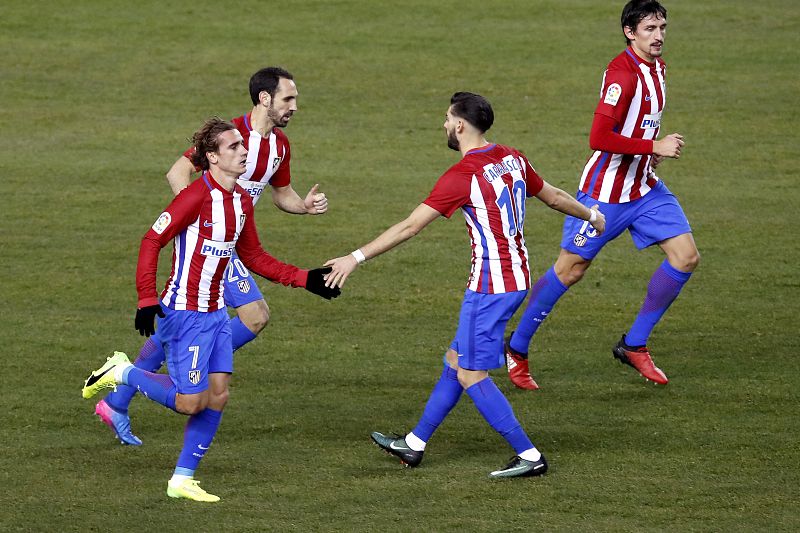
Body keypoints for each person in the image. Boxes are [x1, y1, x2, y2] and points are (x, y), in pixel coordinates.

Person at [324, 92, 605, 478]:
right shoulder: (512, 158)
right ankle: (415, 443)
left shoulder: (463, 175)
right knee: (456, 359)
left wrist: (354, 258)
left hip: (490, 287)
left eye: (447, 118)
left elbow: (410, 226)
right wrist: (592, 215)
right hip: (517, 276)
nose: (443, 124)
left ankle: (528, 454)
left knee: (471, 374)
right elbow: (554, 197)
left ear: (459, 125)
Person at [81, 117, 340, 502]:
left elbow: (254, 256)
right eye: (234, 147)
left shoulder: (241, 201)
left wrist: (306, 279)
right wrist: (146, 298)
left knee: (217, 396)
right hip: (185, 313)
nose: (243, 151)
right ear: (213, 157)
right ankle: (121, 371)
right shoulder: (194, 198)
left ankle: (182, 480)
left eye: (242, 145)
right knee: (190, 402)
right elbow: (151, 241)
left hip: (216, 314)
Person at [95, 67, 328, 446]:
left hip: (232, 242)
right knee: (252, 316)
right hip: (212, 244)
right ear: (265, 99)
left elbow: (281, 193)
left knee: (213, 322)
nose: (295, 107)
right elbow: (178, 172)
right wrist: (201, 219)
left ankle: (117, 400)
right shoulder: (229, 137)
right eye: (288, 98)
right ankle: (174, 366)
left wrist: (304, 206)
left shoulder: (280, 146)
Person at [505, 0, 699, 390]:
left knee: (686, 257)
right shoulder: (621, 75)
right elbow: (599, 137)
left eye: (662, 27)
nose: (659, 35)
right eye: (650, 28)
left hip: (644, 188)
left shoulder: (658, 68)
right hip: (603, 194)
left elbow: (638, 124)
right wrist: (654, 146)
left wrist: (650, 154)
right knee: (570, 270)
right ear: (630, 32)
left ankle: (634, 344)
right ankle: (517, 347)